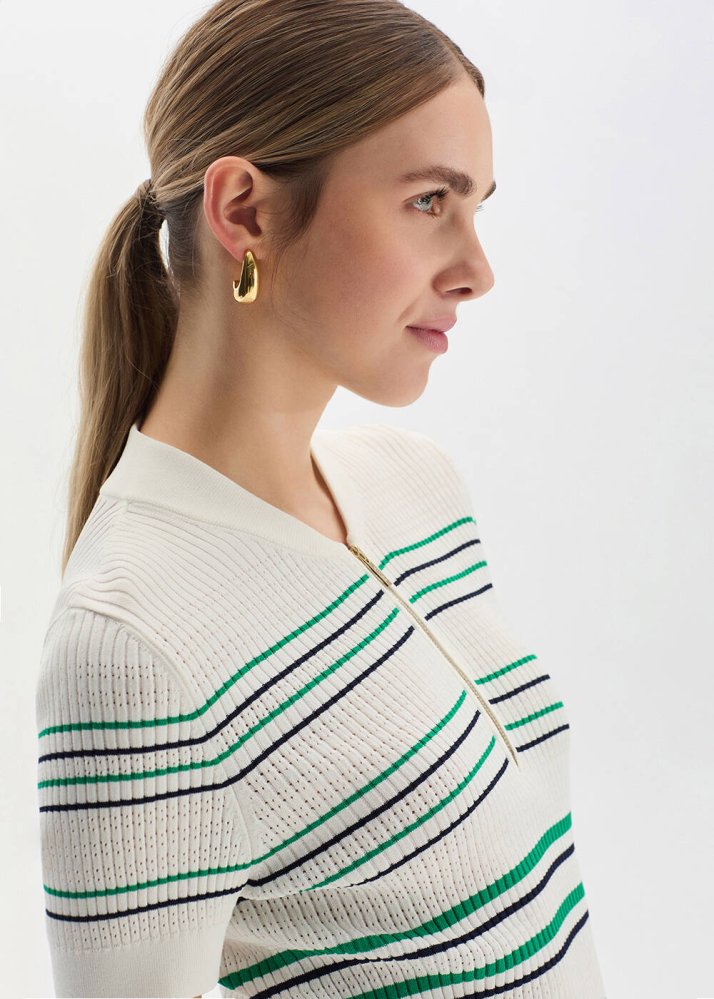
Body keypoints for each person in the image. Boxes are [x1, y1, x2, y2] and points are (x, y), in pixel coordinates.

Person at [35, 1, 607, 996]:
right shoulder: (133, 641)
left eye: (477, 207)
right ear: (244, 212)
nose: (477, 271)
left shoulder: (414, 485)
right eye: (428, 201)